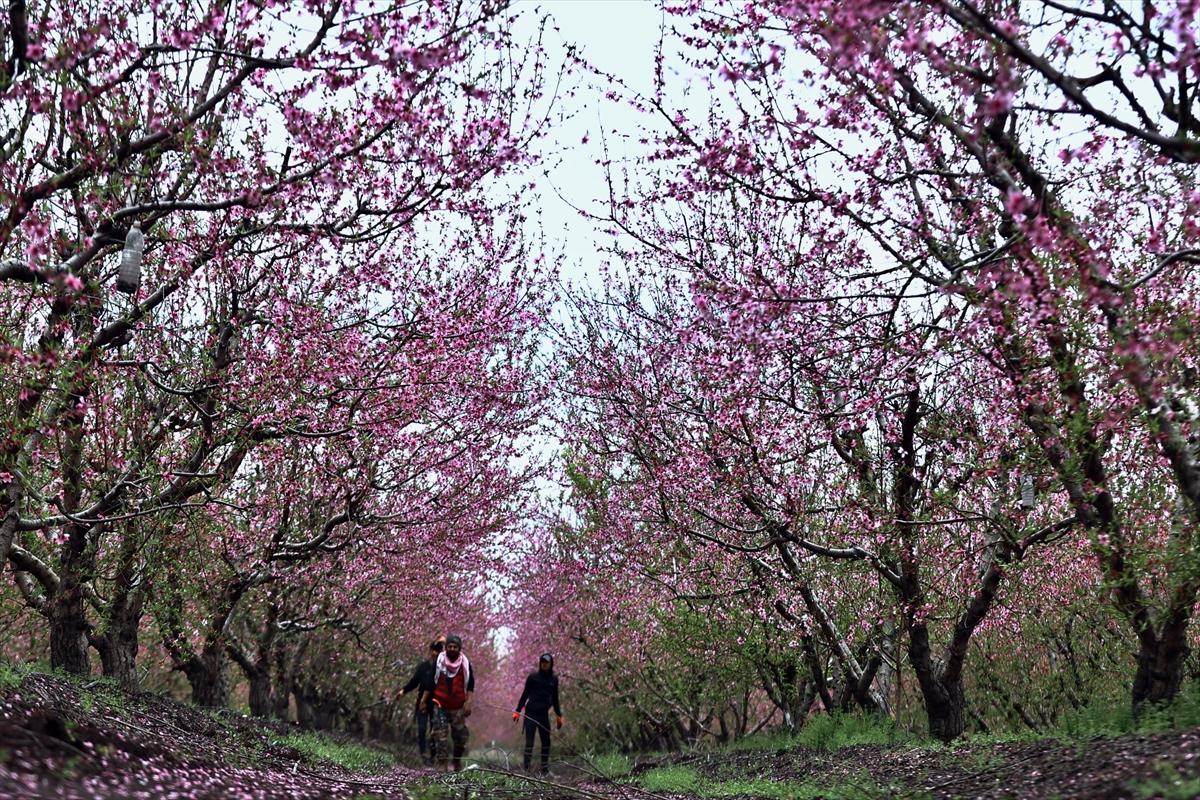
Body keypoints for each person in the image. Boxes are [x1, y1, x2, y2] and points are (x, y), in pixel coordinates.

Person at [423, 634, 474, 772]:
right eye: (450, 646)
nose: (452, 649)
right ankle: (442, 764)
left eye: (455, 647)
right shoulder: (439, 662)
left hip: (458, 707)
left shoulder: (465, 664)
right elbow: (430, 683)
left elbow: (470, 685)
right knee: (440, 736)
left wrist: (468, 703)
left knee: (461, 738)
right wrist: (424, 700)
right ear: (446, 648)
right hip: (440, 705)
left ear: (459, 648)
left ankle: (456, 761)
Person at [512, 652, 563, 774]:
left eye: (547, 663)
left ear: (551, 664)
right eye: (542, 662)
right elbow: (524, 695)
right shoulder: (533, 677)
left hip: (543, 714)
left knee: (546, 742)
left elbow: (555, 698)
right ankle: (526, 769)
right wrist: (518, 711)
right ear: (540, 663)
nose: (544, 665)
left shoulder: (554, 679)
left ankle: (544, 769)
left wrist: (559, 715)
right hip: (531, 713)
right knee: (530, 742)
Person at [397, 636, 444, 764]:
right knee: (422, 729)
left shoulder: (443, 668)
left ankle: (433, 756)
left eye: (438, 650)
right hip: (422, 702)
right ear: (430, 651)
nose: (435, 653)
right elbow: (414, 682)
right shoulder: (423, 667)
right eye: (433, 650)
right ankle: (423, 754)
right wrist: (403, 691)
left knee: (435, 730)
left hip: (437, 703)